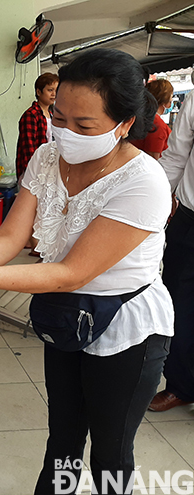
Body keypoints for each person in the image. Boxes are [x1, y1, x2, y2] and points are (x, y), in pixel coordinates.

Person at [0, 48, 173, 495]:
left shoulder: (142, 182)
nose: (66, 133)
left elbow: (70, 273)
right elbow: (11, 237)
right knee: (63, 442)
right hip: (67, 315)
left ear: (125, 124)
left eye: (84, 125)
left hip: (125, 329)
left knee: (111, 452)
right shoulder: (48, 158)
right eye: (60, 117)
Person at [149, 84, 194, 412]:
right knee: (179, 304)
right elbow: (176, 155)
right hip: (190, 220)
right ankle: (181, 385)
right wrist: (155, 205)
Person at [16, 73, 59, 179]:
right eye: (50, 90)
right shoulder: (31, 115)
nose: (54, 94)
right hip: (33, 171)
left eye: (56, 90)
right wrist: (33, 172)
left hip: (49, 170)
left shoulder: (52, 114)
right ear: (38, 92)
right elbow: (28, 148)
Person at [131, 79, 173, 160]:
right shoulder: (157, 124)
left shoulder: (142, 117)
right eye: (171, 97)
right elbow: (153, 158)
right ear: (166, 100)